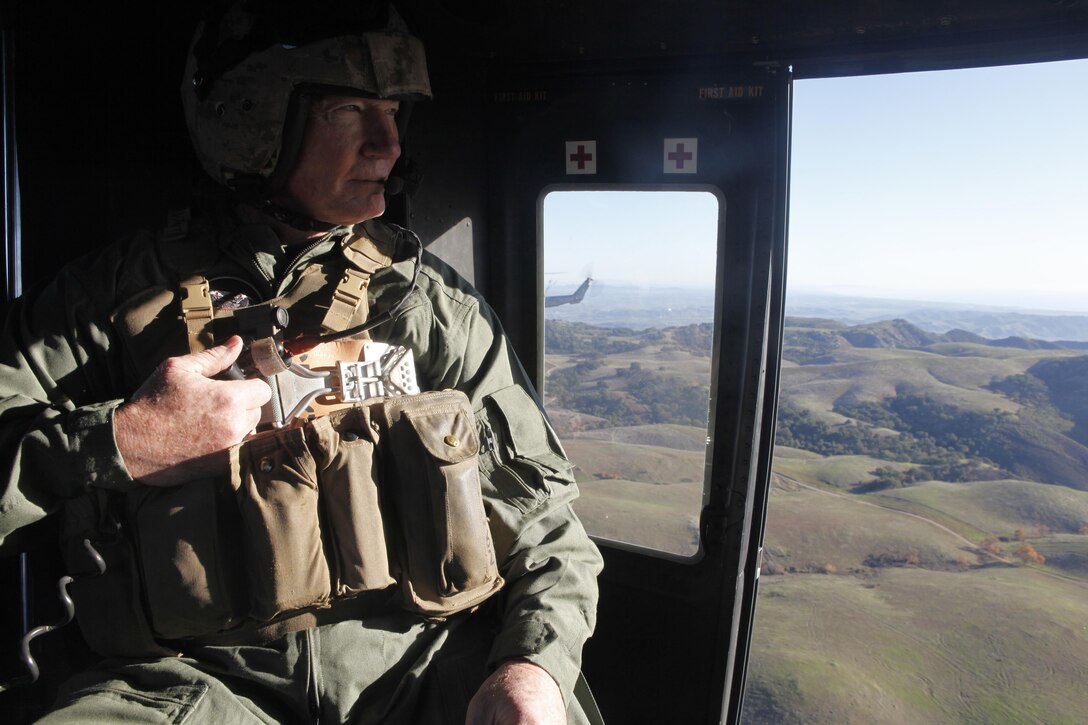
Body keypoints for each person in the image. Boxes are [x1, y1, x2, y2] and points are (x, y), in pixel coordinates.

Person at [0, 2, 602, 723]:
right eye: (351, 112)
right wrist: (119, 443)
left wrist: (533, 666)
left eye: (393, 112)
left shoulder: (434, 311)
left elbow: (548, 527)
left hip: (421, 676)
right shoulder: (108, 304)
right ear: (252, 122)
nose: (388, 145)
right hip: (190, 689)